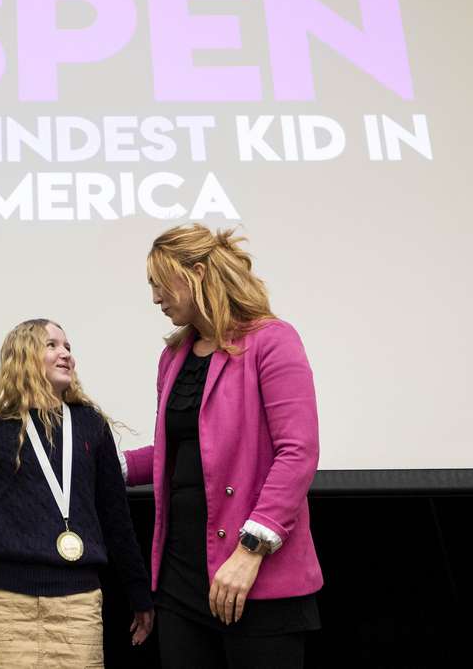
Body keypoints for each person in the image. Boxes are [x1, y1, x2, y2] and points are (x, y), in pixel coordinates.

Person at [123, 224, 323, 668]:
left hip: (257, 576)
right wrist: (103, 462)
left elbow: (298, 451)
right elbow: (178, 453)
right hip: (181, 578)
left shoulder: (273, 340)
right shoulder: (172, 358)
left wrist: (251, 551)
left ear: (196, 273)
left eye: (160, 283)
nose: (155, 298)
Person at [0, 319, 155, 667]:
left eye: (68, 347)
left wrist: (139, 594)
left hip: (78, 607)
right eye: (52, 345)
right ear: (24, 357)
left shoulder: (91, 425)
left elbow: (116, 520)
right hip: (5, 607)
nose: (65, 354)